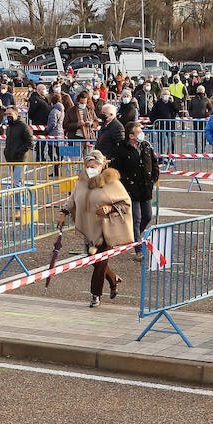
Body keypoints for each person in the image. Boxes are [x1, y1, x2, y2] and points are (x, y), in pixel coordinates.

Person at [57, 150, 133, 308]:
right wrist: (63, 213)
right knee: (95, 260)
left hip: (107, 229)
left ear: (101, 166)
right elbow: (72, 200)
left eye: (94, 166)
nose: (90, 169)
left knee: (99, 260)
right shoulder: (82, 182)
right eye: (88, 166)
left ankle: (95, 295)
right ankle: (113, 279)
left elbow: (125, 203)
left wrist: (109, 209)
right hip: (89, 228)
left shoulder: (112, 182)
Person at [114, 122, 158, 262]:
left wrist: (153, 179)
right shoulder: (121, 148)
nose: (141, 134)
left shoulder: (146, 146)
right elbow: (116, 169)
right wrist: (126, 184)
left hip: (146, 187)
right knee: (136, 218)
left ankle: (134, 237)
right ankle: (139, 249)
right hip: (131, 189)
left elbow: (155, 163)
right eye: (138, 132)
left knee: (148, 216)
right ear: (131, 135)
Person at [2, 104, 35, 189]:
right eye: (7, 114)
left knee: (16, 183)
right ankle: (23, 200)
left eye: (10, 114)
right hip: (11, 158)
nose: (8, 116)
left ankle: (18, 202)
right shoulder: (9, 127)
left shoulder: (23, 126)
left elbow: (30, 142)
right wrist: (6, 152)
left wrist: (19, 151)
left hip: (20, 159)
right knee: (18, 183)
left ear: (16, 114)